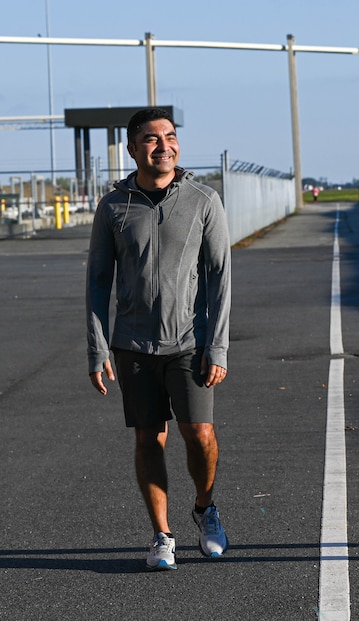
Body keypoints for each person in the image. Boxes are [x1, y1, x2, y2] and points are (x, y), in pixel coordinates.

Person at [86, 107, 232, 571]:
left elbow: (220, 277)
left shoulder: (204, 200)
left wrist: (218, 346)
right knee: (150, 438)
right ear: (132, 149)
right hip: (134, 345)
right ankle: (162, 536)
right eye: (151, 139)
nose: (163, 145)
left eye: (170, 137)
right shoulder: (113, 207)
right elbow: (96, 282)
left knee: (200, 434)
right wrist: (98, 346)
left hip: (190, 343)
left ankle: (205, 509)